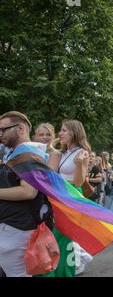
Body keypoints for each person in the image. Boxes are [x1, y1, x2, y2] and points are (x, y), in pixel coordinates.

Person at [0, 111, 48, 277]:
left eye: (3, 129)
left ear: (20, 128)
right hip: (13, 225)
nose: (0, 134)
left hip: (16, 227)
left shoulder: (27, 153)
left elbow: (28, 191)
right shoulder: (18, 153)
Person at [45, 119, 92, 277]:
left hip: (71, 198)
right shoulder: (63, 152)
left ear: (74, 132)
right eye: (61, 130)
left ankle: (63, 272)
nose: (61, 133)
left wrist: (79, 165)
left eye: (64, 130)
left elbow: (78, 182)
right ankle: (62, 270)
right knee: (59, 236)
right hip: (59, 197)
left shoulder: (82, 152)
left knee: (62, 237)